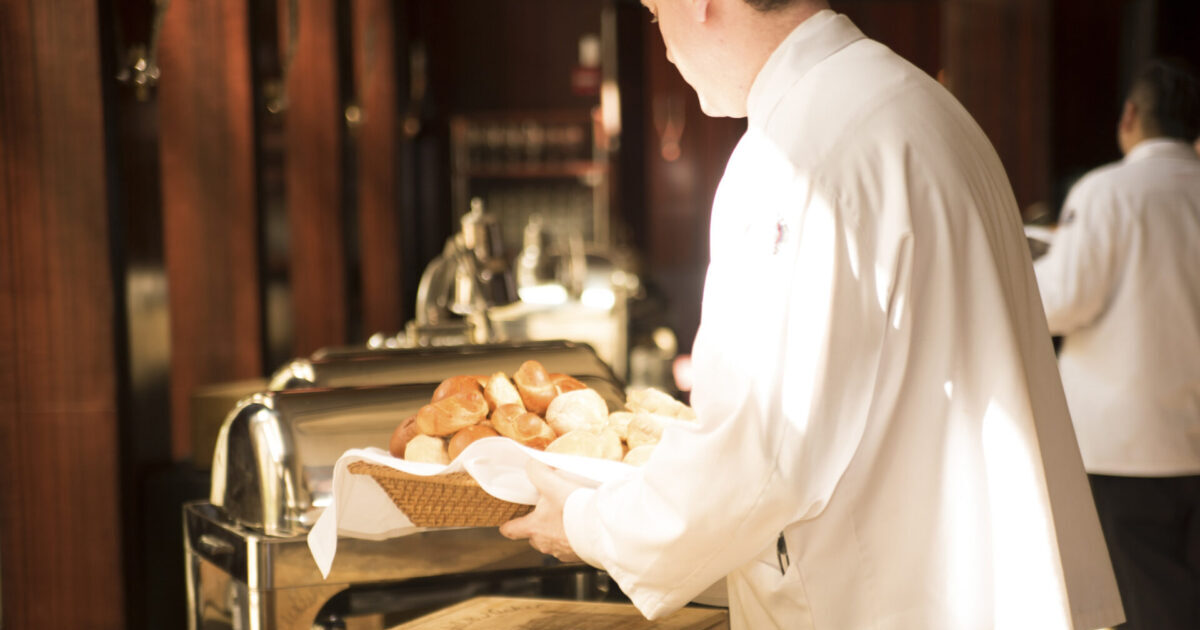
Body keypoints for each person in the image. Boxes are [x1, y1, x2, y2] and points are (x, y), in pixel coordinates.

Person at [501, 1, 1125, 627]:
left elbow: (759, 455)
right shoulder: (921, 103)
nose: (661, 43)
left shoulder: (792, 153)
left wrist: (586, 523)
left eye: (656, 12)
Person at [1033, 58, 1200, 630]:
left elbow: (1060, 300)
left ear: (1130, 116)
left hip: (1126, 447)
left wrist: (1030, 264)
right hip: (1191, 437)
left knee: (1139, 607)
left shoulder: (1107, 191)